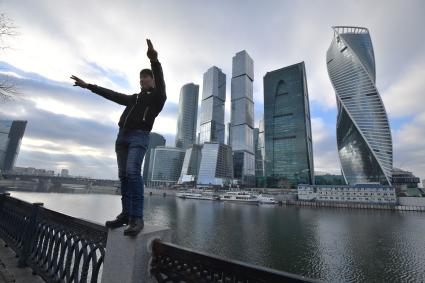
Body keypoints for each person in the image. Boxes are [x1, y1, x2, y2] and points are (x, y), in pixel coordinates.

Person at [70, 39, 166, 236]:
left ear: (153, 80)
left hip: (139, 136)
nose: (142, 80)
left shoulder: (158, 98)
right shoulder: (133, 98)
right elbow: (111, 94)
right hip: (122, 138)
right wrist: (88, 86)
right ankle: (126, 215)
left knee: (132, 172)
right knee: (123, 177)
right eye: (140, 79)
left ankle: (137, 218)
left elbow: (160, 79)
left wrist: (154, 61)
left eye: (146, 78)